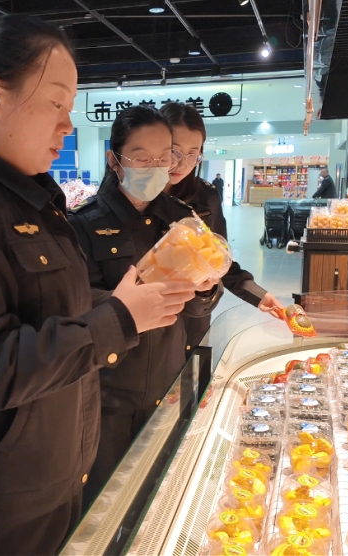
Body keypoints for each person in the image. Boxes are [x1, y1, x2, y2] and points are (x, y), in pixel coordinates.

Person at [0, 16, 195, 555]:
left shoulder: (32, 200)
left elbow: (51, 307)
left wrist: (127, 299)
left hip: (50, 478)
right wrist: (120, 318)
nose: (67, 124)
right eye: (56, 102)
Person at [69, 105, 222, 508]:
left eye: (164, 157)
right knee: (103, 505)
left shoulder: (183, 221)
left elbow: (200, 307)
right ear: (114, 160)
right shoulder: (81, 225)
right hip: (109, 395)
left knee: (158, 498)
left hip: (169, 384)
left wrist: (204, 289)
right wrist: (125, 306)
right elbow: (73, 307)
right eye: (141, 158)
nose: (156, 168)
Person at [160, 102, 282, 347]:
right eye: (174, 151)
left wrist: (257, 295)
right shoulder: (138, 197)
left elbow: (219, 261)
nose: (183, 164)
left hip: (192, 318)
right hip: (147, 321)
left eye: (193, 154)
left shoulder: (206, 197)